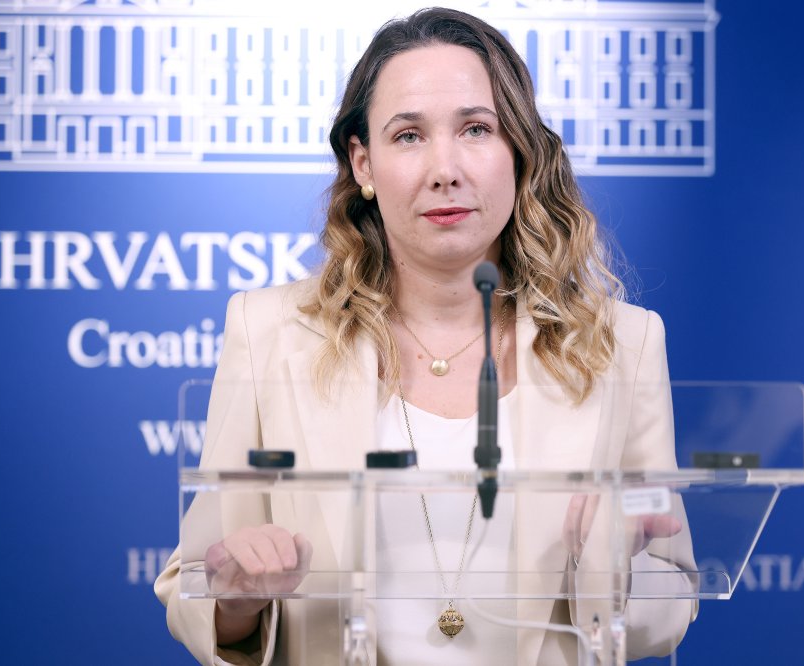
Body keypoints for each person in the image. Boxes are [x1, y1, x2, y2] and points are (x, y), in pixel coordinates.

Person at [155, 7, 696, 665]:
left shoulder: (622, 344)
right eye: (408, 135)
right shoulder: (269, 332)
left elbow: (674, 596)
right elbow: (194, 583)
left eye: (476, 129)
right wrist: (237, 598)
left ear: (520, 153)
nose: (445, 168)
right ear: (363, 163)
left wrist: (612, 565)